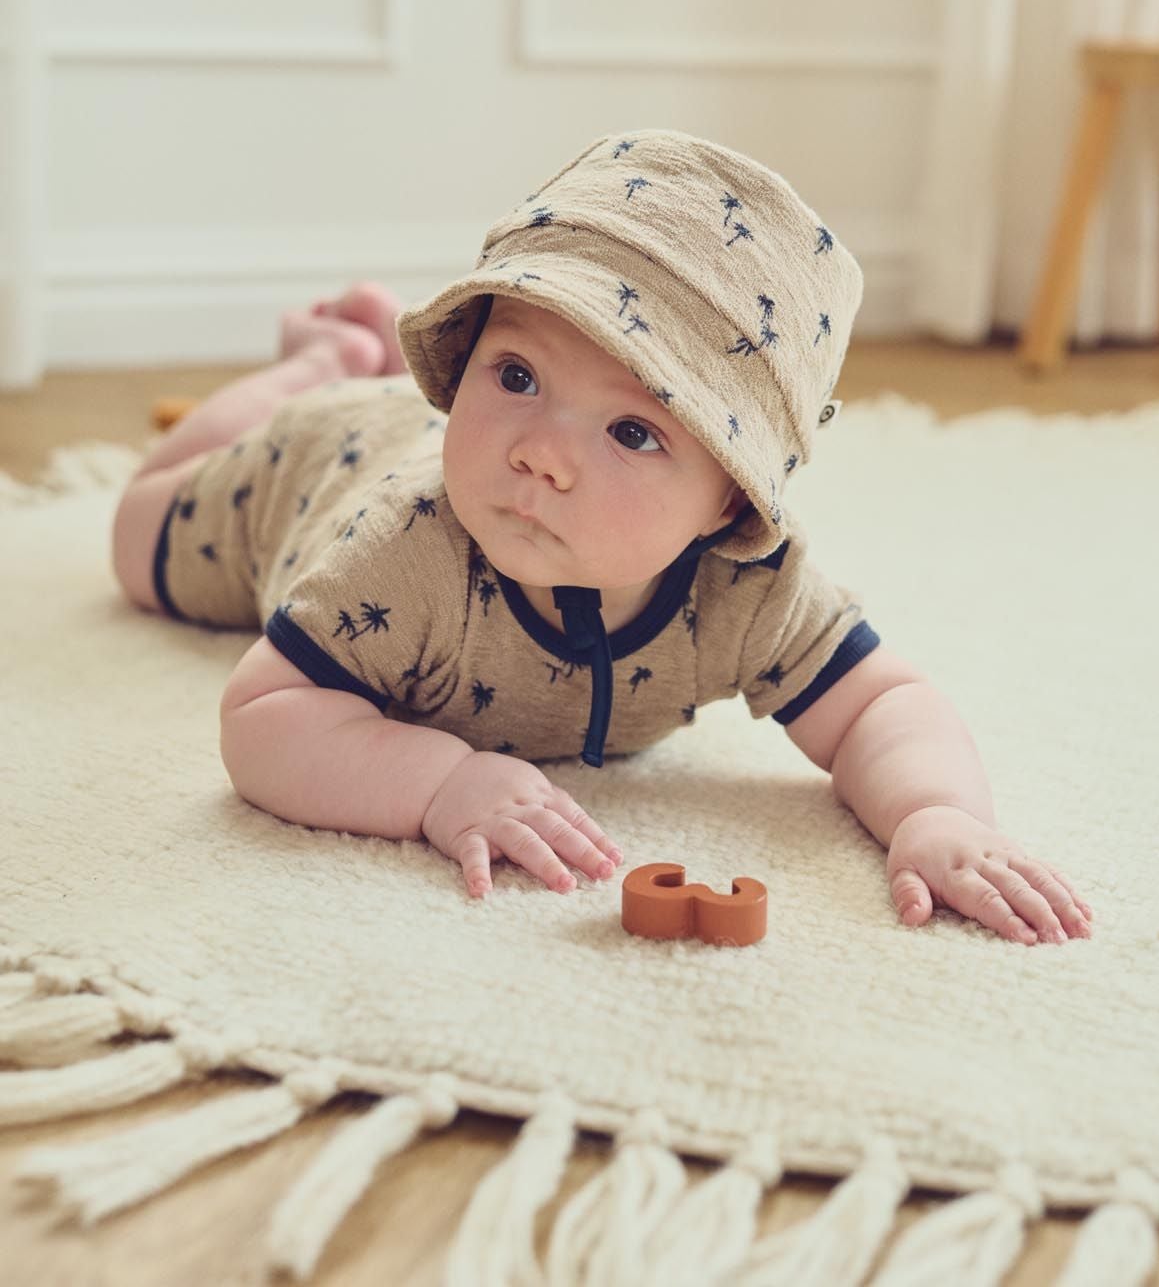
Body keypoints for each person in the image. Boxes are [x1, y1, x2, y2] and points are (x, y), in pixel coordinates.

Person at [111, 129, 1093, 944]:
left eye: (633, 431)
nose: (540, 454)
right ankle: (318, 362)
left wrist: (936, 815)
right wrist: (439, 781)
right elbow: (263, 714)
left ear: (726, 504)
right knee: (135, 529)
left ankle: (347, 350)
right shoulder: (409, 553)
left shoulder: (747, 587)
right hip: (318, 462)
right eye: (516, 376)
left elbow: (883, 702)